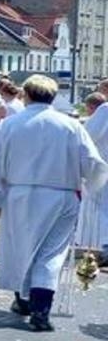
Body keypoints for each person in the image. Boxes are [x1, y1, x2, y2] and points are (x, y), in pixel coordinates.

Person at [0, 75, 108, 332]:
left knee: (21, 247)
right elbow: (92, 162)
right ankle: (41, 308)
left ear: (26, 95)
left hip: (21, 194)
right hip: (62, 195)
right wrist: (92, 184)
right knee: (51, 252)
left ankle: (23, 299)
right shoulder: (70, 125)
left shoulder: (9, 125)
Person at [77, 93, 108, 255]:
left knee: (98, 207)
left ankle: (100, 245)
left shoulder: (104, 110)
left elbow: (87, 136)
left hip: (103, 165)